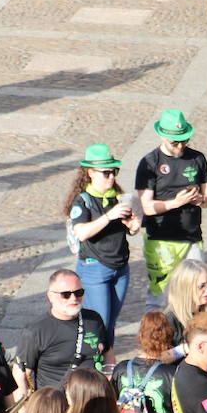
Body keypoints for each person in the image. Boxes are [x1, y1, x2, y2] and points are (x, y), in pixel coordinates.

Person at [136, 109, 207, 308]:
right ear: (161, 136)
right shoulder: (149, 163)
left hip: (192, 239)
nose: (180, 146)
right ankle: (154, 339)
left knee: (199, 294)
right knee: (159, 299)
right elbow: (147, 206)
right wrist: (176, 203)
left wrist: (199, 200)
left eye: (184, 141)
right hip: (161, 241)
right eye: (174, 142)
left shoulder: (197, 159)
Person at [66, 144, 140, 340]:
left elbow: (127, 229)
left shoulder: (116, 197)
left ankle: (106, 365)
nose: (112, 177)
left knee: (110, 325)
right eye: (106, 173)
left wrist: (133, 226)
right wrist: (109, 216)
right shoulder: (83, 201)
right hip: (94, 269)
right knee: (99, 325)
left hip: (120, 268)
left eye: (114, 172)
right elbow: (81, 232)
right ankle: (95, 367)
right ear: (90, 172)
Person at [17, 269, 111, 391]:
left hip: (94, 398)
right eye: (65, 294)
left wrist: (108, 379)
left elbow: (108, 352)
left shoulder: (94, 319)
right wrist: (26, 406)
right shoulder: (35, 331)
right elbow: (21, 375)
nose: (73, 298)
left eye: (78, 292)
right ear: (50, 296)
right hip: (57, 403)